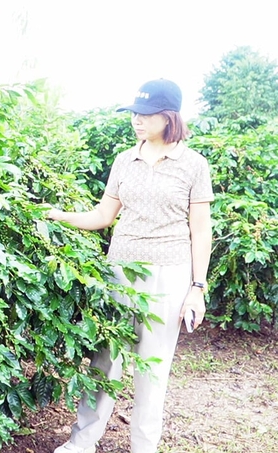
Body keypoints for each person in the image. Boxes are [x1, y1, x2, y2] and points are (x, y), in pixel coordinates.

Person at [46, 79, 214, 453]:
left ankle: (144, 446)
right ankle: (81, 442)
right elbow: (104, 215)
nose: (136, 120)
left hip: (168, 275)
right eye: (134, 114)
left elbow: (201, 232)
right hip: (119, 271)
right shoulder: (125, 159)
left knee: (152, 369)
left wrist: (197, 289)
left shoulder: (193, 164)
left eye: (145, 114)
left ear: (168, 117)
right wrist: (57, 215)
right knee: (104, 360)